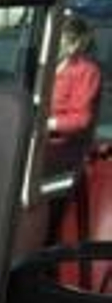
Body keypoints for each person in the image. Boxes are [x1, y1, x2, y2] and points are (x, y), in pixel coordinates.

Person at [47, 13, 103, 179]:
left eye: (57, 39)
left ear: (74, 44)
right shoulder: (46, 67)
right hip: (39, 141)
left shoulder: (87, 71)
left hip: (63, 149)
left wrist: (48, 123)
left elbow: (81, 120)